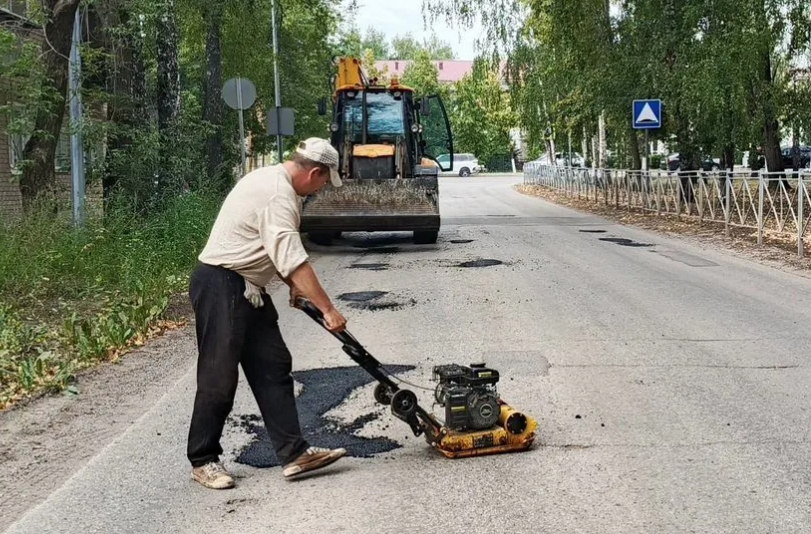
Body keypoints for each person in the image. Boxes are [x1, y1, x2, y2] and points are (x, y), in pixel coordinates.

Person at [187, 138, 348, 489]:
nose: (321, 189)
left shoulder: (275, 183)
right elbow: (293, 259)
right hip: (221, 283)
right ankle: (203, 459)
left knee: (273, 365)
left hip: (247, 286)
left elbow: (272, 249)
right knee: (219, 375)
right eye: (324, 181)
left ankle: (294, 454)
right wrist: (328, 309)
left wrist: (293, 285)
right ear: (314, 172)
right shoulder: (278, 195)